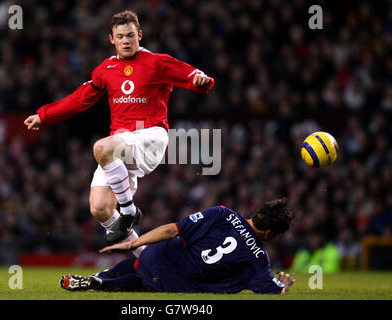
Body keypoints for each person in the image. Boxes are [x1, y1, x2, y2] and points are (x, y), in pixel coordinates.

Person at [23, 10, 214, 255]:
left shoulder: (158, 62)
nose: (126, 41)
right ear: (111, 39)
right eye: (120, 36)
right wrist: (44, 116)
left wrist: (201, 80)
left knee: (101, 147)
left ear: (140, 35)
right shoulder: (106, 69)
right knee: (100, 207)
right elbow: (80, 99)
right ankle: (148, 258)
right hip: (121, 147)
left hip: (150, 136)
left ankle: (129, 210)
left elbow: (192, 75)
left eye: (130, 36)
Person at [59, 198, 296, 295]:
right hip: (175, 283)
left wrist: (134, 242)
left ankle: (97, 279)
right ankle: (100, 283)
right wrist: (283, 284)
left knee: (138, 265)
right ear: (270, 234)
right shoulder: (258, 258)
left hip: (159, 255)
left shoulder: (222, 213)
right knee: (145, 281)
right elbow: (274, 289)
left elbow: (173, 229)